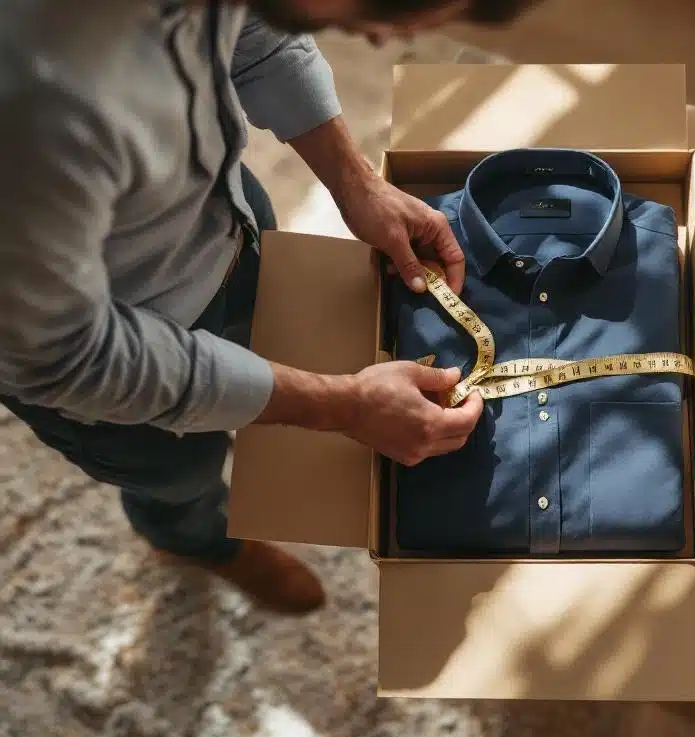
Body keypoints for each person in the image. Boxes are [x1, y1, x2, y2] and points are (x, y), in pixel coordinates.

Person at [0, 0, 535, 614]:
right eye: (390, 9)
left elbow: (254, 30)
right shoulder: (30, 100)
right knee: (179, 475)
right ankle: (193, 540)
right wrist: (344, 406)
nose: (387, 39)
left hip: (230, 223)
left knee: (282, 351)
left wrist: (353, 180)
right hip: (105, 372)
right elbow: (68, 358)